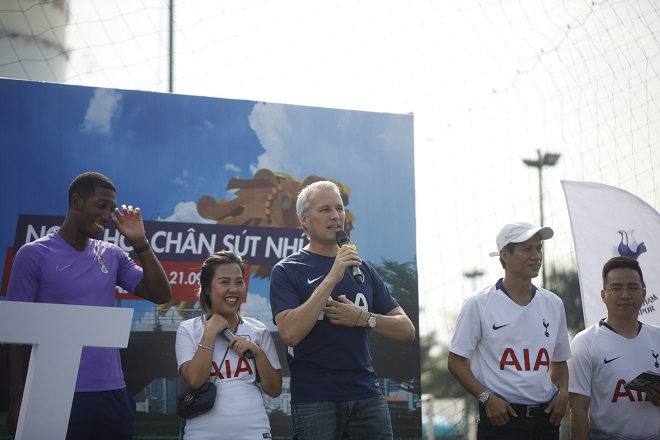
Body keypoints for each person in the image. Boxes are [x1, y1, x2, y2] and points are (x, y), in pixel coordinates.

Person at [6, 171, 172, 439]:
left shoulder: (112, 254)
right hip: (57, 393)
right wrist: (16, 398)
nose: (107, 216)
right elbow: (15, 333)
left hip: (113, 393)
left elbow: (161, 294)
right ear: (76, 201)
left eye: (111, 209)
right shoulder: (33, 254)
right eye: (101, 205)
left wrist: (140, 243)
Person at [269, 180, 416, 440]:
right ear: (304, 219)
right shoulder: (287, 270)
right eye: (325, 209)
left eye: (339, 208)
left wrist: (364, 319)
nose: (336, 216)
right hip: (316, 397)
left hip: (366, 395)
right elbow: (290, 333)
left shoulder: (362, 268)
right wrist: (332, 276)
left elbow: (406, 329)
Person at [448, 221, 571, 439]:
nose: (536, 256)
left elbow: (559, 361)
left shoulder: (554, 303)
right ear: (505, 255)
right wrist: (486, 397)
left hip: (547, 420)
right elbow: (455, 362)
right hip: (501, 419)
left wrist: (563, 394)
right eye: (527, 249)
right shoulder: (478, 303)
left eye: (539, 248)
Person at [175, 250, 282, 440]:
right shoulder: (188, 329)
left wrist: (257, 352)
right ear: (207, 288)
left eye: (239, 282)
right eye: (224, 282)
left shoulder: (257, 330)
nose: (234, 289)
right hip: (201, 434)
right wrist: (209, 333)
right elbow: (194, 380)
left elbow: (274, 390)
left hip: (254, 432)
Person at [568, 256, 660, 439]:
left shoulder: (658, 337)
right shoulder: (584, 342)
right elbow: (578, 411)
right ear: (603, 295)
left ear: (644, 293)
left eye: (633, 287)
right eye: (616, 288)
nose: (624, 295)